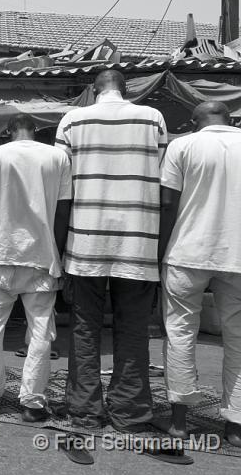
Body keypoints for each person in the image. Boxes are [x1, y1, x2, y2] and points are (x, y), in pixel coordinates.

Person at [55, 69, 167, 430]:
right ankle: (131, 413)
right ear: (126, 88)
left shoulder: (72, 121)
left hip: (86, 241)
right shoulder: (153, 119)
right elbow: (164, 182)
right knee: (133, 327)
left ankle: (85, 412)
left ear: (93, 89)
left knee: (85, 327)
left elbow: (62, 184)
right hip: (138, 240)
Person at [0, 114, 72, 422]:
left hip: (0, 253)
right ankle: (33, 402)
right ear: (37, 132)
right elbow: (63, 209)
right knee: (42, 331)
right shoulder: (58, 157)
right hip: (42, 256)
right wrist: (57, 251)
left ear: (8, 131)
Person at [158, 101, 241, 447]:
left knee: (179, 332)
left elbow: (167, 202)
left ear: (195, 122)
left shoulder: (183, 145)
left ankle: (179, 422)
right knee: (238, 339)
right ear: (230, 118)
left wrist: (159, 250)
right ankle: (235, 427)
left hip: (187, 252)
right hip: (237, 254)